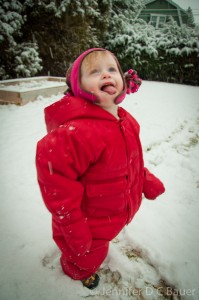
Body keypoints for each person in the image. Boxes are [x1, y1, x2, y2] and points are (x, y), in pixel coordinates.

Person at [35, 48, 165, 290]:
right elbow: (58, 191)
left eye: (111, 69)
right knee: (86, 255)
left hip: (109, 215)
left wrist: (145, 179)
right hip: (86, 224)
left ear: (123, 82)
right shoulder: (73, 135)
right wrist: (75, 231)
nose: (106, 75)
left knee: (97, 246)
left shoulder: (127, 121)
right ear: (78, 86)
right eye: (94, 72)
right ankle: (76, 270)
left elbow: (129, 162)